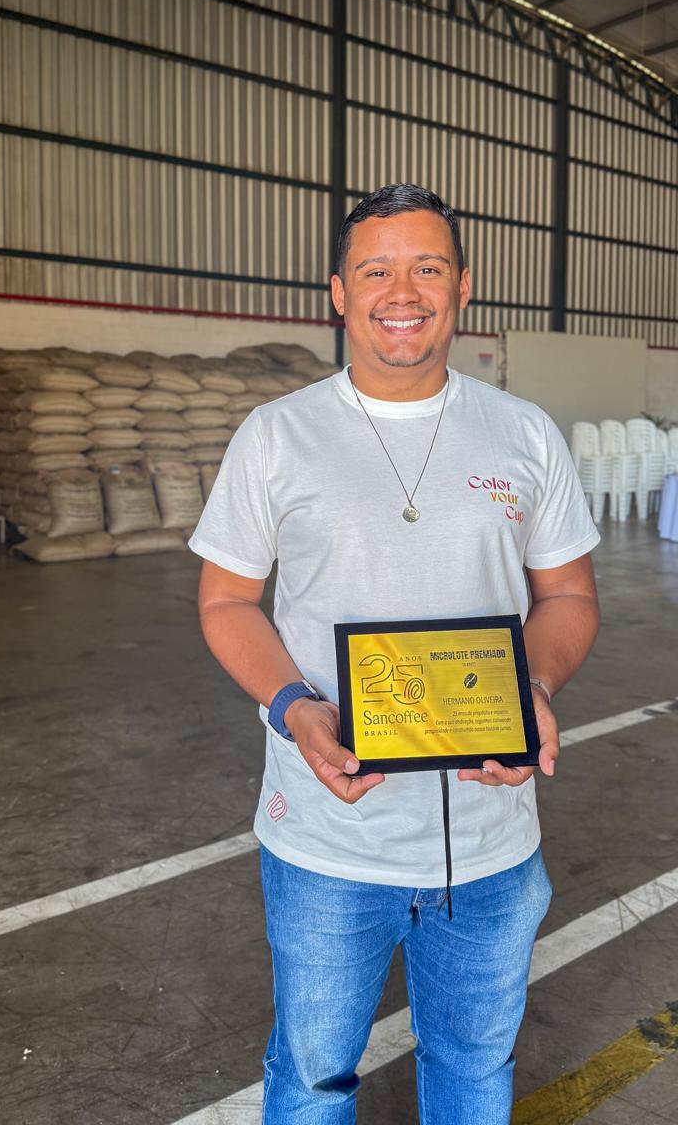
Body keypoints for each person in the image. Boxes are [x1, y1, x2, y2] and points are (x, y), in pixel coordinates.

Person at [190, 183, 600, 1124]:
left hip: (491, 841)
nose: (402, 292)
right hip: (327, 840)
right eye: (375, 270)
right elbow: (226, 601)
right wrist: (294, 707)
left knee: (474, 1068)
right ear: (339, 293)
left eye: (427, 268)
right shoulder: (278, 435)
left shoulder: (524, 433)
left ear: (463, 287)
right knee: (313, 1077)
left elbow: (569, 595)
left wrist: (533, 686)